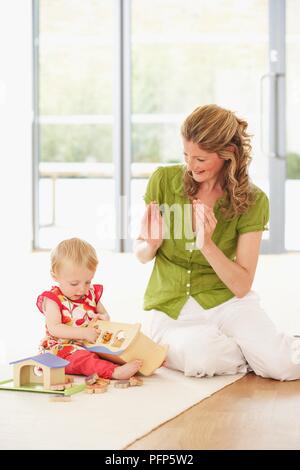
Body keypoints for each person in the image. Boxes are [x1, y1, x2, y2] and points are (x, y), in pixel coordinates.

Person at [134, 103, 300, 381]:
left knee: (282, 365)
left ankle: (268, 350)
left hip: (227, 302)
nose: (190, 166)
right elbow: (140, 253)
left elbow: (241, 285)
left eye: (200, 159)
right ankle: (255, 350)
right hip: (172, 308)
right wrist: (150, 245)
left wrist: (207, 245)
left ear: (228, 154)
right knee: (200, 357)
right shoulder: (163, 181)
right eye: (186, 155)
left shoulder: (253, 200)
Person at [37, 237, 143, 379]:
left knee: (116, 350)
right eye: (74, 284)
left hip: (90, 343)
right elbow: (54, 328)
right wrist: (83, 333)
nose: (82, 289)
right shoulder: (53, 299)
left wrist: (103, 318)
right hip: (62, 349)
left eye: (88, 282)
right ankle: (114, 372)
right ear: (55, 276)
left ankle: (146, 361)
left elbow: (105, 314)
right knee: (84, 360)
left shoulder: (90, 294)